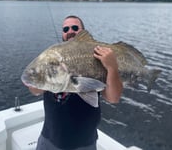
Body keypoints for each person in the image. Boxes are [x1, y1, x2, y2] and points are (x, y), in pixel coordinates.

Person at [28, 15, 123, 150]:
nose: (70, 31)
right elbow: (35, 90)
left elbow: (113, 98)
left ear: (83, 32)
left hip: (84, 143)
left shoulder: (98, 57)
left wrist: (112, 67)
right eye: (65, 29)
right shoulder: (50, 58)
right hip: (49, 139)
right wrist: (38, 79)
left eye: (75, 27)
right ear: (62, 34)